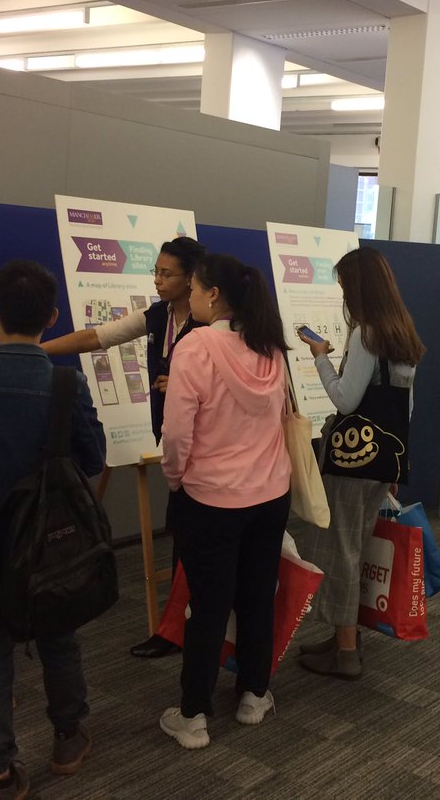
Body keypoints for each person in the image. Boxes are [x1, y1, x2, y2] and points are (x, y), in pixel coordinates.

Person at [0, 259, 106, 799]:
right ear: (52, 317)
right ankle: (67, 737)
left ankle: (0, 773)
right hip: (50, 540)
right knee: (59, 636)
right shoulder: (67, 383)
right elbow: (93, 457)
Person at [41, 235, 206, 659]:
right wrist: (35, 351)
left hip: (209, 449)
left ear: (192, 278)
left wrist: (190, 384)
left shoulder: (216, 324)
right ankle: (179, 626)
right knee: (185, 537)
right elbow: (98, 337)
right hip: (174, 441)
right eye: (155, 271)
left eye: (166, 274)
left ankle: (184, 630)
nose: (157, 280)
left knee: (196, 541)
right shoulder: (157, 317)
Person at [157, 253, 291, 750]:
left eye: (192, 288)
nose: (187, 296)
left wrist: (176, 480)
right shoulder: (270, 346)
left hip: (210, 498)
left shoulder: (196, 347)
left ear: (213, 294)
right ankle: (255, 694)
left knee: (207, 606)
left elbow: (176, 434)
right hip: (270, 494)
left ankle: (194, 716)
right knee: (257, 597)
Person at [296, 247, 424, 680]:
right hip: (386, 459)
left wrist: (319, 357)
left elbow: (345, 399)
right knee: (355, 546)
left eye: (345, 287)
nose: (344, 296)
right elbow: (406, 410)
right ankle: (340, 638)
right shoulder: (402, 333)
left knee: (343, 551)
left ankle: (346, 651)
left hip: (352, 462)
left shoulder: (365, 335)